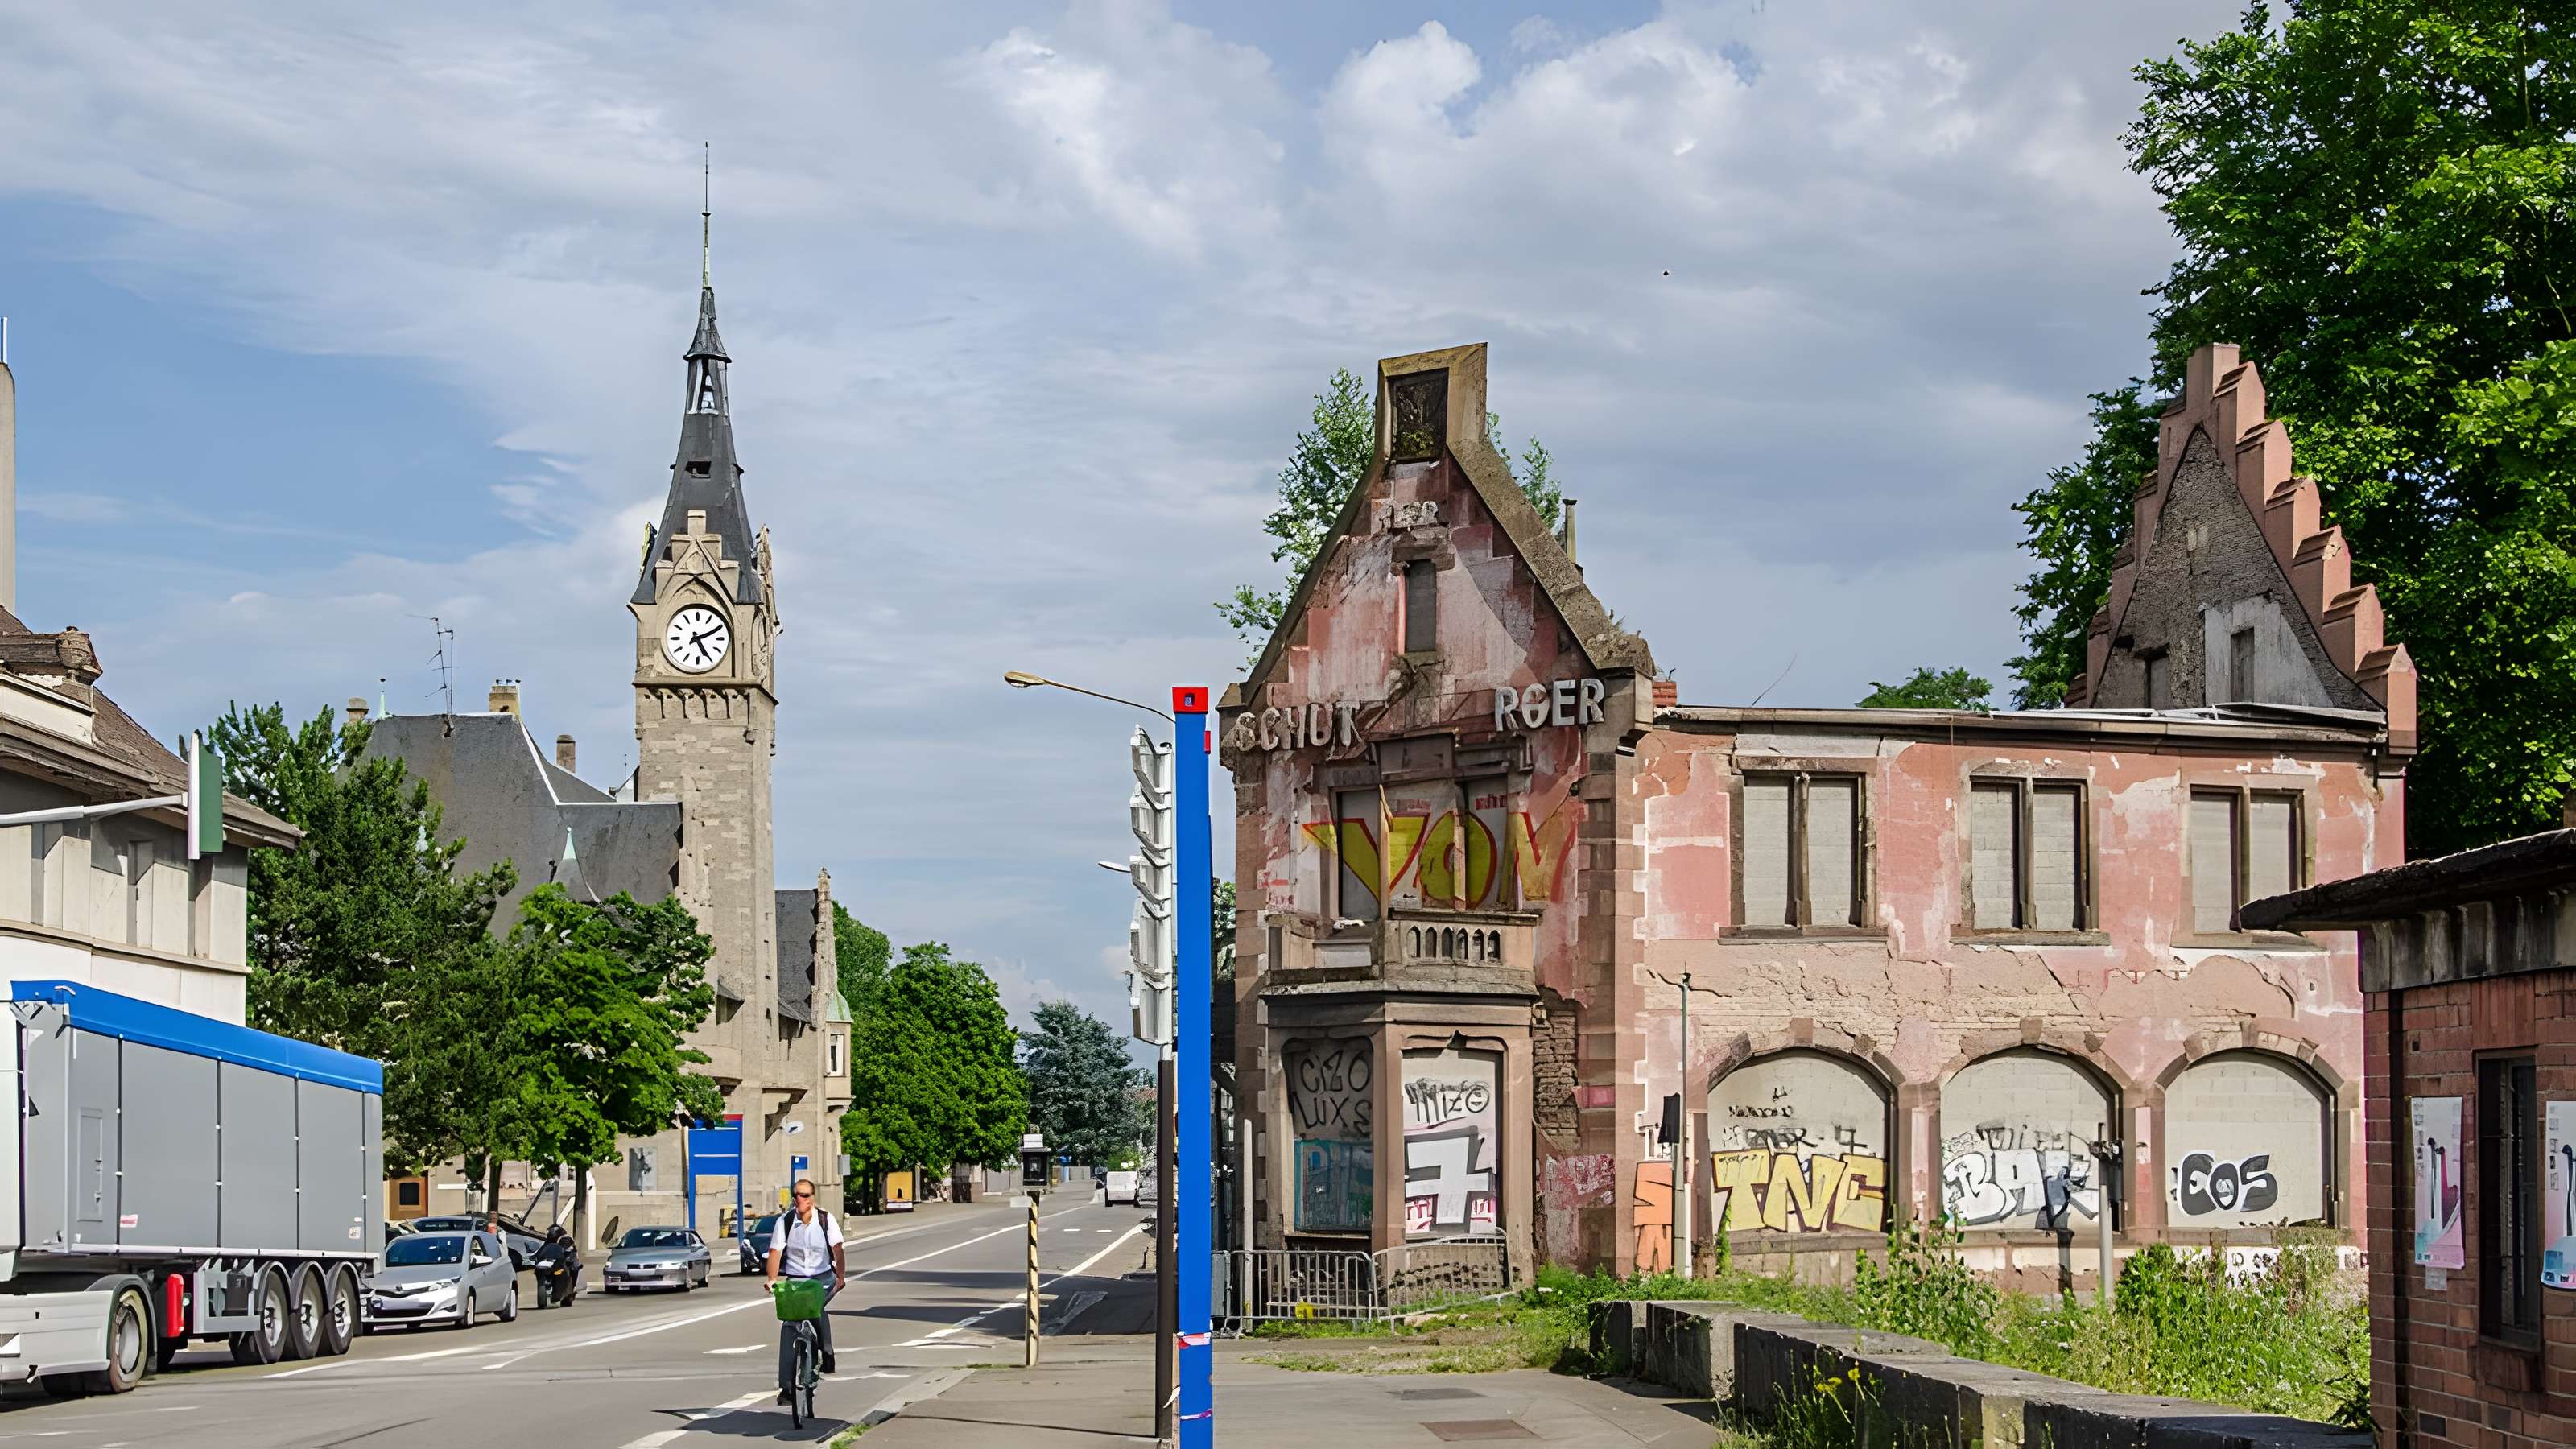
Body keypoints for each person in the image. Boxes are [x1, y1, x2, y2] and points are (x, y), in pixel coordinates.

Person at [765, 1179, 845, 1402]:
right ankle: (787, 1388)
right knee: (788, 1328)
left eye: (806, 1195)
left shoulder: (825, 1219)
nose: (802, 1199)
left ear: (813, 1198)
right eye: (798, 1195)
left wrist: (840, 1277)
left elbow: (837, 1249)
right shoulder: (786, 1221)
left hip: (822, 1279)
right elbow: (775, 1252)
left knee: (816, 1307)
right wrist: (772, 1279)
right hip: (796, 1281)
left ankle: (827, 1351)